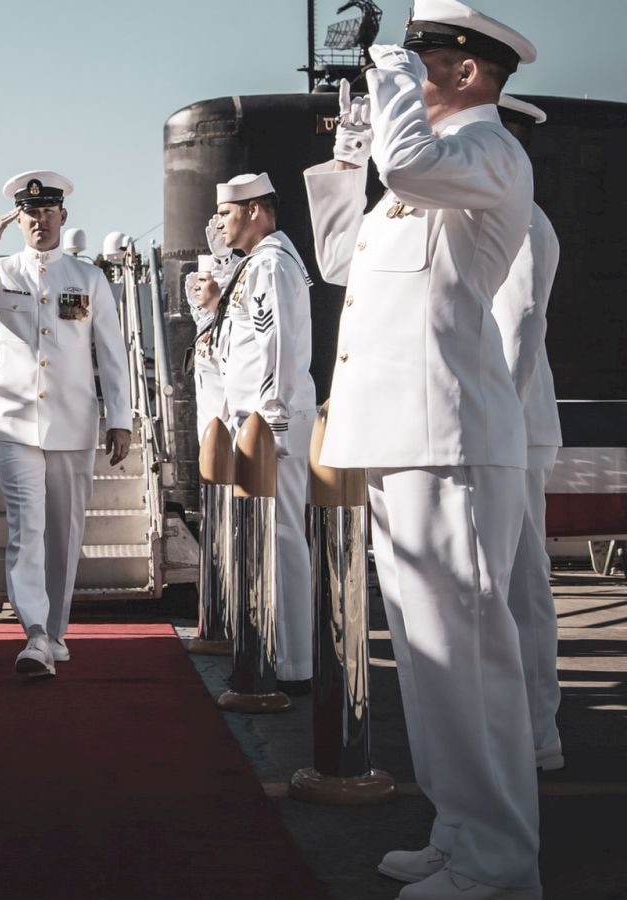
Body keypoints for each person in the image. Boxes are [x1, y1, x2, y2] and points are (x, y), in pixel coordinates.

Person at [303, 2, 541, 897]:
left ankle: (501, 864)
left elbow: (410, 160)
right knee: (431, 665)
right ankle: (460, 832)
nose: (403, 68)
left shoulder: (489, 154)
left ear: (469, 71)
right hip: (402, 436)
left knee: (470, 668)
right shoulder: (421, 178)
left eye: (424, 55)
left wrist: (390, 84)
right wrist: (350, 140)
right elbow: (338, 259)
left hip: (451, 442)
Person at [0, 170, 132, 677]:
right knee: (27, 528)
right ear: (17, 219)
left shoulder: (87, 278)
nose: (39, 220)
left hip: (74, 421)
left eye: (47, 211)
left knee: (64, 531)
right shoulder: (0, 272)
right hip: (15, 421)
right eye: (29, 213)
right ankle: (36, 634)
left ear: (62, 216)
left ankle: (57, 632)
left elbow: (111, 352)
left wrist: (121, 419)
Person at [212, 172, 316, 687]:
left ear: (254, 209)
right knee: (267, 537)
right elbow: (238, 342)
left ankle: (296, 660)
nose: (221, 225)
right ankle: (281, 648)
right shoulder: (259, 262)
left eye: (228, 215)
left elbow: (276, 341)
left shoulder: (271, 263)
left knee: (281, 537)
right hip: (254, 420)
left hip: (269, 420)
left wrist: (272, 411)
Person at [493, 94, 565, 773]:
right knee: (509, 585)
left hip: (509, 424)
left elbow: (518, 330)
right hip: (504, 424)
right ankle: (523, 729)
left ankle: (539, 732)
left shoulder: (522, 223)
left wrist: (499, 422)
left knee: (522, 588)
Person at [184, 255, 228, 443]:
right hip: (209, 434)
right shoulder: (207, 324)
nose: (196, 287)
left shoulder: (230, 328)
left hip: (227, 434)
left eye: (203, 280)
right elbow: (203, 316)